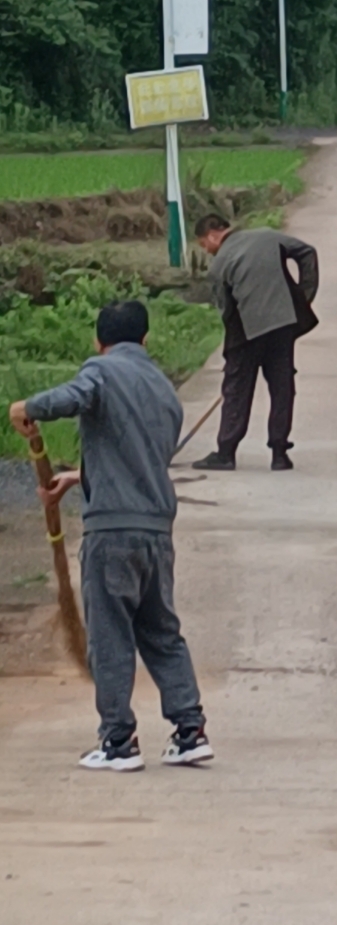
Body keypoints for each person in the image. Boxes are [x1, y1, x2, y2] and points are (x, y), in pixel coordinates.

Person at [8, 300, 212, 773]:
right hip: (156, 531)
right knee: (162, 632)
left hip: (112, 532)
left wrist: (29, 407)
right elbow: (139, 454)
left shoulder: (101, 370)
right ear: (145, 341)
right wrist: (79, 476)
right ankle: (189, 730)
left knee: (110, 634)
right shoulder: (163, 390)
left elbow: (75, 395)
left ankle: (118, 740)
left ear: (100, 342)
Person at [192, 215, 319, 471]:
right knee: (282, 385)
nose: (206, 250)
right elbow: (307, 252)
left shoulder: (219, 265)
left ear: (214, 235)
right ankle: (280, 453)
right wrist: (305, 296)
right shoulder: (269, 236)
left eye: (204, 243)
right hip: (283, 322)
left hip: (246, 328)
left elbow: (226, 310)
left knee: (237, 387)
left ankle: (226, 452)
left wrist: (233, 353)